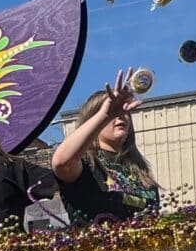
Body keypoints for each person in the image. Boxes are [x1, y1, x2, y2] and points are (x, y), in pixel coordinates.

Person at [51, 68, 160, 226]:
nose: (121, 116)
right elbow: (62, 163)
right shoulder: (86, 163)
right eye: (115, 111)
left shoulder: (141, 171)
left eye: (124, 111)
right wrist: (105, 115)